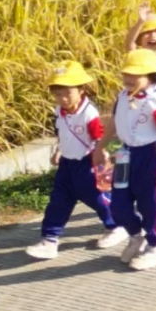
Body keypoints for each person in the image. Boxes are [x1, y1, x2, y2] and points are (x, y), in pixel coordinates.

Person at [28, 62, 125, 260]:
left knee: (97, 196)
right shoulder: (59, 111)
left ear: (81, 90)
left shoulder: (89, 113)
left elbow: (99, 136)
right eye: (57, 94)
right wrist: (58, 150)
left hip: (87, 161)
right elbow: (61, 133)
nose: (62, 99)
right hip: (67, 163)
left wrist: (102, 154)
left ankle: (117, 225)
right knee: (59, 199)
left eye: (67, 93)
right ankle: (50, 239)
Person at [104, 48, 156, 270]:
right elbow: (115, 123)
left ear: (150, 76)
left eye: (135, 75)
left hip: (150, 154)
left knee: (150, 203)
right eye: (126, 74)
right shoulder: (122, 96)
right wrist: (102, 147)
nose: (129, 79)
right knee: (119, 203)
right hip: (126, 153)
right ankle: (136, 236)